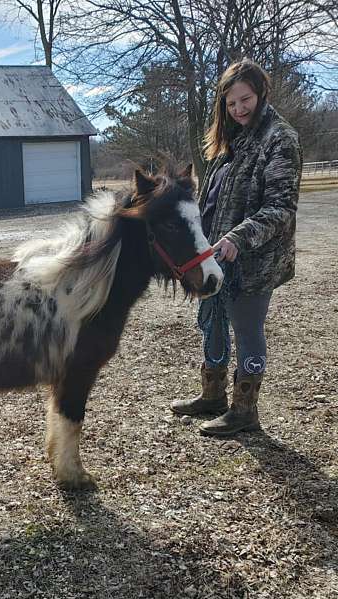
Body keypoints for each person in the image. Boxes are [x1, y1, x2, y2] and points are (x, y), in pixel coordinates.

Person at [171, 59, 302, 436]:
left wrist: (238, 238)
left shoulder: (280, 138)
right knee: (210, 323)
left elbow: (280, 207)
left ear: (261, 93)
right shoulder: (230, 141)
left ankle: (245, 411)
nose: (238, 109)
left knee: (247, 330)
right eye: (230, 103)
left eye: (245, 99)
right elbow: (215, 199)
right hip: (213, 258)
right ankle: (212, 395)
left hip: (252, 259)